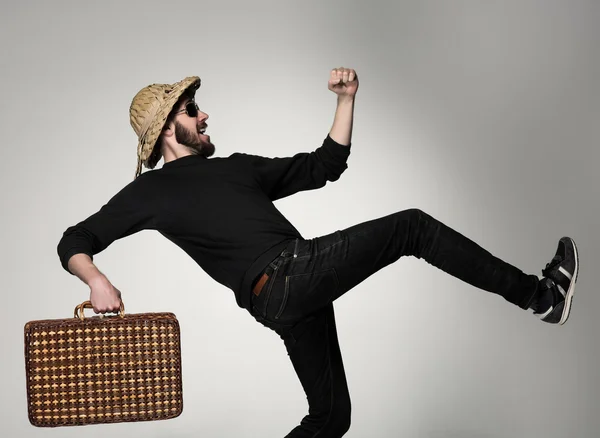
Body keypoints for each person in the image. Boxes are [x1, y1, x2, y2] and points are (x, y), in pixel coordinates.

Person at [57, 67, 580, 438]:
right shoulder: (150, 192)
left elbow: (322, 165)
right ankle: (542, 297)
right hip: (287, 280)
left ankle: (542, 298)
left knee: (331, 420)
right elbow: (74, 240)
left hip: (288, 297)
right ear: (169, 128)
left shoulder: (236, 167)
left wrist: (345, 99)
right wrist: (97, 281)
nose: (205, 114)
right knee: (411, 229)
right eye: (193, 110)